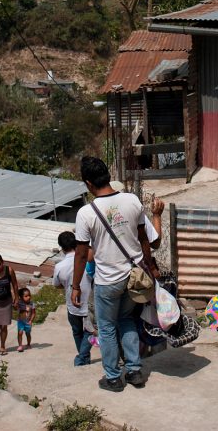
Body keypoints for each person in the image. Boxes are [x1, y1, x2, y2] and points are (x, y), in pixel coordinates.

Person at [72, 156, 155, 392]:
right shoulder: (132, 200)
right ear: (107, 175)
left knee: (107, 327)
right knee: (127, 319)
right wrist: (149, 267)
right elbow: (143, 238)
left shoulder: (86, 213)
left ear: (88, 183)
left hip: (108, 281)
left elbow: (80, 254)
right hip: (134, 276)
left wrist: (76, 286)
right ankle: (134, 371)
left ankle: (113, 377)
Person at [53, 230, 94, 366]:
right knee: (90, 330)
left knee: (77, 332)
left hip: (72, 305)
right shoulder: (87, 260)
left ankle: (81, 358)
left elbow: (57, 285)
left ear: (61, 248)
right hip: (90, 303)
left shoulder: (59, 267)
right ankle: (84, 357)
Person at [16, 287, 36, 352]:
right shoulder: (19, 303)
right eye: (26, 296)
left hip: (28, 322)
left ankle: (28, 344)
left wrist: (31, 320)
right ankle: (20, 345)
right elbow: (15, 307)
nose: (28, 297)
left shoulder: (32, 304)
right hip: (20, 321)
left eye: (29, 295)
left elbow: (33, 313)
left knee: (28, 334)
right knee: (20, 333)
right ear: (21, 297)